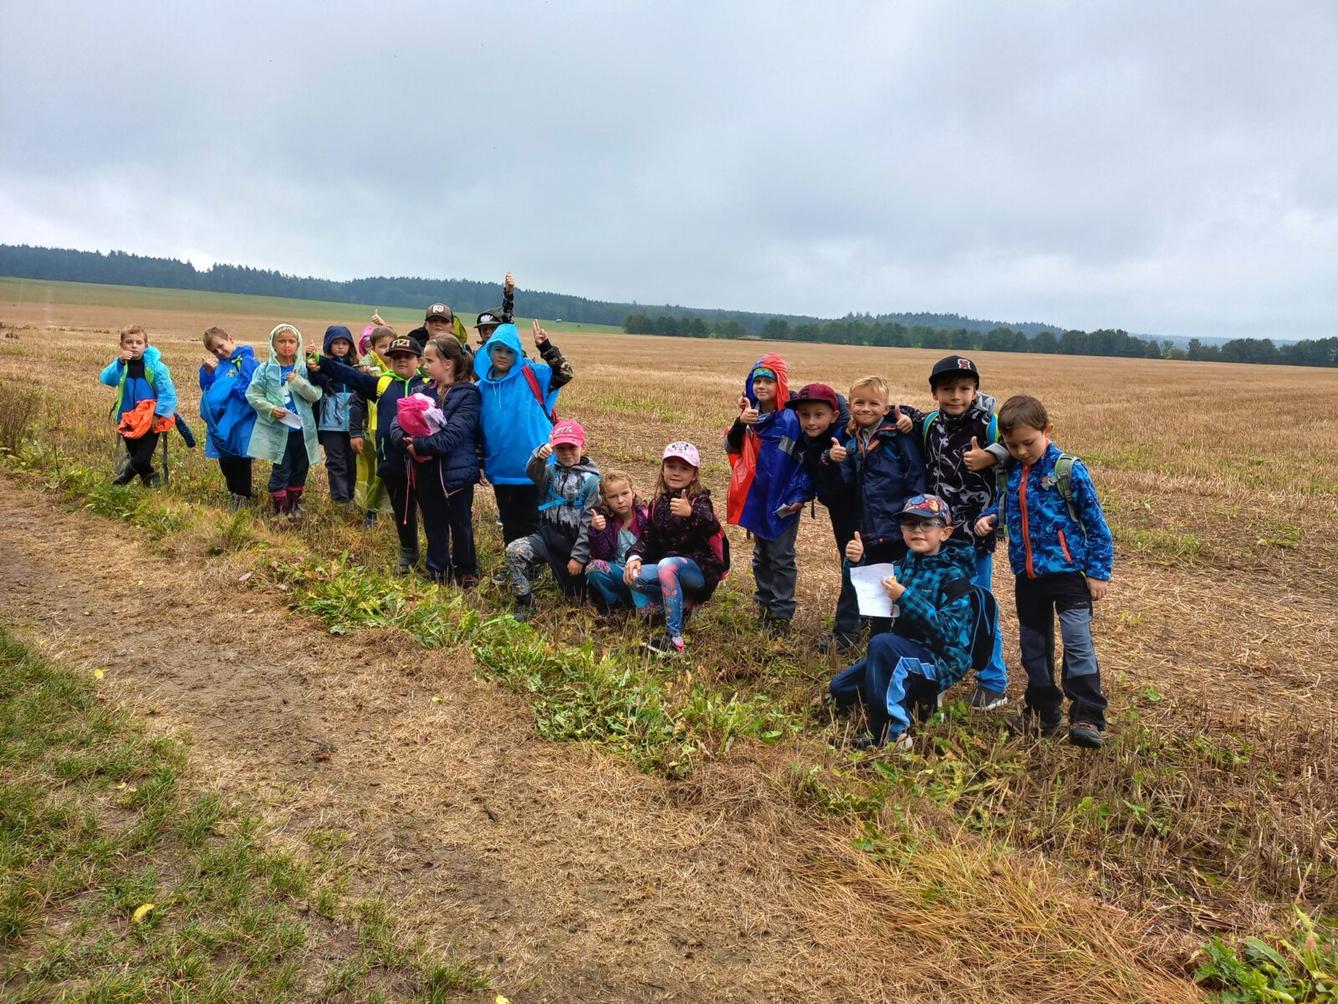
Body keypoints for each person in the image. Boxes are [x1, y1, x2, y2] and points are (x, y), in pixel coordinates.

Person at [973, 395, 1113, 750]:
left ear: (1047, 430)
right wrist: (990, 517)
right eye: (1011, 444)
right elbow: (1008, 505)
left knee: (1078, 645)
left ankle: (1086, 715)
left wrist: (1098, 573)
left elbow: (1097, 525)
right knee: (1033, 648)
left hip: (1068, 576)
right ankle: (1042, 713)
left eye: (1028, 443)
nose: (1020, 451)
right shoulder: (1009, 471)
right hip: (1028, 577)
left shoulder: (1068, 470)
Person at [901, 355, 1011, 710]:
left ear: (976, 390)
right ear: (934, 393)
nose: (956, 396)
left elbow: (1025, 446)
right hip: (936, 536)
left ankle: (993, 680)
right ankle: (937, 673)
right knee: (937, 604)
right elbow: (906, 418)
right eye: (947, 389)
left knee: (979, 606)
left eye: (964, 388)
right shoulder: (931, 422)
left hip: (973, 539)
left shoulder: (992, 425)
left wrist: (992, 456)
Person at [829, 494, 977, 749]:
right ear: (902, 530)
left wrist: (905, 598)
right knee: (840, 688)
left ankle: (892, 733)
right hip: (901, 653)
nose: (917, 530)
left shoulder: (955, 576)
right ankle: (917, 701)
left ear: (945, 532)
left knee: (882, 643)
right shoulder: (899, 568)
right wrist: (854, 562)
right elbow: (862, 597)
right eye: (910, 524)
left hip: (941, 659)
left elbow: (950, 633)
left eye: (927, 524)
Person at [312, 335, 428, 571]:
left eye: (407, 356)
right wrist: (322, 362)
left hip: (425, 461)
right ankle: (409, 552)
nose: (401, 361)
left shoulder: (428, 384)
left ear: (419, 359)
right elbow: (351, 376)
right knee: (402, 510)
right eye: (395, 357)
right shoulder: (382, 384)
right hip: (393, 461)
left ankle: (437, 558)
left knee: (431, 511)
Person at [724, 354, 811, 636]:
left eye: (767, 381)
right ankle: (763, 604)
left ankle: (781, 615)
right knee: (761, 555)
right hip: (758, 497)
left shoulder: (791, 419)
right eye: (756, 380)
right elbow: (730, 447)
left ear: (780, 384)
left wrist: (799, 494)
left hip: (784, 500)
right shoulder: (751, 415)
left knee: (781, 556)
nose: (761, 386)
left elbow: (805, 461)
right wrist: (740, 422)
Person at [830, 375, 925, 631]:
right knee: (876, 584)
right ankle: (877, 637)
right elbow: (850, 484)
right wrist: (835, 459)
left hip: (896, 526)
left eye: (874, 403)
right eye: (859, 402)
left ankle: (900, 636)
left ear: (886, 407)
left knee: (899, 583)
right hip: (869, 526)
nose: (866, 408)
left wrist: (913, 519)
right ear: (850, 406)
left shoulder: (899, 437)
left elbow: (915, 476)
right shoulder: (852, 441)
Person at [474, 319, 575, 546]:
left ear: (517, 354)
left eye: (509, 351)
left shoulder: (533, 375)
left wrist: (546, 347)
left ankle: (536, 564)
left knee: (534, 520)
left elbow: (565, 374)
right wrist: (480, 460)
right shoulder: (480, 388)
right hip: (501, 467)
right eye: (498, 349)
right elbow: (478, 430)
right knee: (510, 521)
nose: (502, 355)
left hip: (535, 466)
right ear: (488, 350)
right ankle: (515, 563)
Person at [625, 442, 727, 658]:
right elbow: (648, 538)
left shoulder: (699, 500)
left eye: (684, 468)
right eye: (671, 466)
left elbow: (711, 525)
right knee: (633, 576)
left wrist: (691, 513)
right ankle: (679, 608)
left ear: (694, 474)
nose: (676, 473)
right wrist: (634, 556)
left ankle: (674, 639)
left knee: (667, 565)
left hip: (699, 571)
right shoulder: (658, 503)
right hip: (669, 570)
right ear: (663, 469)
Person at [393, 336, 481, 586]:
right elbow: (396, 423)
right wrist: (405, 442)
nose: (424, 365)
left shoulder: (469, 395)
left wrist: (418, 445)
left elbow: (452, 436)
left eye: (429, 360)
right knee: (433, 523)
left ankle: (466, 570)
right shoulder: (422, 391)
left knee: (460, 523)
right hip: (425, 472)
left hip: (456, 474)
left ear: (448, 364)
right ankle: (438, 570)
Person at [787, 383, 860, 653]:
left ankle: (846, 633)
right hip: (839, 509)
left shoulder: (843, 434)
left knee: (854, 566)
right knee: (852, 564)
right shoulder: (809, 437)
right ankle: (860, 622)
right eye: (804, 415)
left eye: (818, 415)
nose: (811, 421)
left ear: (833, 414)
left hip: (859, 510)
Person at [504, 419, 600, 621]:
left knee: (577, 598)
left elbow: (587, 525)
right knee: (514, 551)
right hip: (546, 538)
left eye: (572, 447)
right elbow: (531, 471)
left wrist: (579, 557)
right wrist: (539, 455)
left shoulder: (593, 482)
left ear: (583, 445)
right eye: (560, 448)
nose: (566, 453)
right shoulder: (549, 473)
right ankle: (524, 601)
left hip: (573, 544)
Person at [244, 324, 323, 518]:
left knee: (300, 468)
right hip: (279, 430)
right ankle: (279, 508)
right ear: (273, 344)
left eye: (291, 341)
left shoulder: (305, 369)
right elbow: (253, 395)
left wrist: (298, 381)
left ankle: (294, 504)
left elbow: (316, 395)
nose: (286, 345)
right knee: (281, 468)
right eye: (281, 341)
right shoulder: (264, 370)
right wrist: (271, 409)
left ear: (298, 344)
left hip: (303, 430)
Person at [100, 324, 177, 487]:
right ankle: (152, 489)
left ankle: (121, 481)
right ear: (122, 345)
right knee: (138, 460)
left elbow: (167, 393)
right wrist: (119, 363)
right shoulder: (121, 365)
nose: (134, 345)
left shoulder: (156, 367)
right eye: (129, 342)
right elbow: (107, 379)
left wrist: (159, 415)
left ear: (146, 346)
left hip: (150, 421)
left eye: (138, 342)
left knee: (142, 459)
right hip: (127, 419)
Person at [572, 469, 651, 613]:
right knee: (593, 567)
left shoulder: (646, 517)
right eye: (613, 496)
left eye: (625, 493)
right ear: (605, 500)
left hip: (641, 572)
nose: (620, 501)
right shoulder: (605, 520)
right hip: (618, 573)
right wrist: (596, 531)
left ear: (633, 493)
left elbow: (653, 547)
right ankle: (613, 603)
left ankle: (639, 606)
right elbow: (601, 555)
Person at [198, 325, 258, 508]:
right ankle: (234, 494)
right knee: (225, 460)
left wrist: (235, 387)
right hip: (220, 420)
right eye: (214, 350)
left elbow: (253, 387)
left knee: (240, 457)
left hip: (241, 420)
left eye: (221, 346)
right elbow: (207, 389)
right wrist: (207, 373)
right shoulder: (216, 366)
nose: (219, 352)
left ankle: (243, 496)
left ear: (230, 339)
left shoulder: (246, 360)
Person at [308, 324, 358, 504]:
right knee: (336, 461)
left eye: (345, 343)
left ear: (350, 346)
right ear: (328, 345)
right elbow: (314, 379)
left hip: (353, 423)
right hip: (330, 422)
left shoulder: (357, 367)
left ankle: (352, 496)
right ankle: (340, 499)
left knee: (352, 462)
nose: (340, 347)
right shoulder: (322, 366)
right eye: (336, 343)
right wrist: (311, 361)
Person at [351, 325, 395, 526]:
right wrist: (355, 432)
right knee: (373, 473)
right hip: (371, 432)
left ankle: (395, 510)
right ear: (373, 349)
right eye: (381, 346)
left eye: (390, 346)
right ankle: (371, 512)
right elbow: (357, 403)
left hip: (395, 432)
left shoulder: (402, 368)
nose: (386, 351)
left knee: (393, 473)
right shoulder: (367, 372)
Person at [474, 271, 516, 346]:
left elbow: (507, 314)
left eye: (492, 328)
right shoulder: (476, 354)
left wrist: (509, 294)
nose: (488, 332)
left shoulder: (511, 353)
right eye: (484, 329)